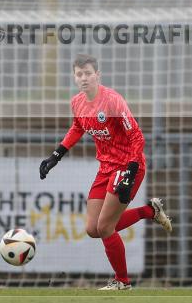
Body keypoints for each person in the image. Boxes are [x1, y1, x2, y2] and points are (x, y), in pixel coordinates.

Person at [38, 53, 173, 290]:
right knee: (93, 229)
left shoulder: (112, 101)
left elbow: (137, 136)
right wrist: (56, 156)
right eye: (79, 74)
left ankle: (122, 281)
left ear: (97, 75)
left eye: (88, 73)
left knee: (105, 227)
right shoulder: (77, 102)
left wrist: (130, 172)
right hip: (106, 167)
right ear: (74, 77)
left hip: (129, 164)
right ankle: (149, 211)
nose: (83, 78)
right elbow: (77, 127)